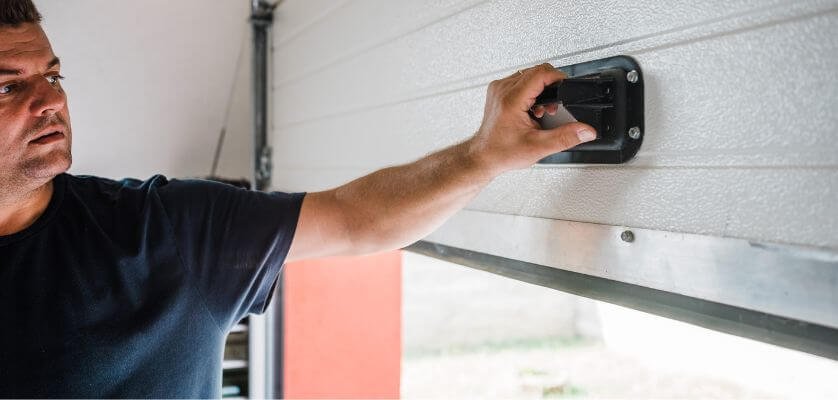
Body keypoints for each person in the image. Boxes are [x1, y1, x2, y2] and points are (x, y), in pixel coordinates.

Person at [0, 0, 596, 397]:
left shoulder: (164, 233)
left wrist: (481, 154)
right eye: (8, 85)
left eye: (52, 77)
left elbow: (357, 219)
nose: (49, 101)